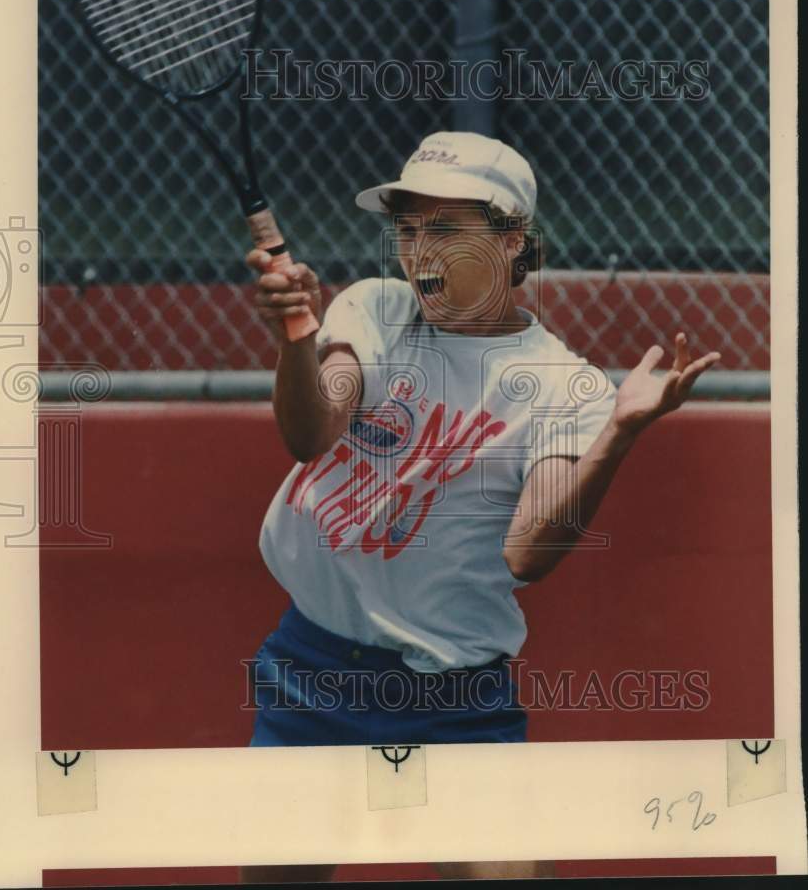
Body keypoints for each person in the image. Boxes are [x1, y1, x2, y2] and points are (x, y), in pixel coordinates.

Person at [240, 132, 720, 883]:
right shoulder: (375, 310)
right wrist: (295, 337)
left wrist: (620, 432)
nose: (417, 250)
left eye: (445, 230)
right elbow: (311, 432)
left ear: (510, 242)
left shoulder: (564, 386)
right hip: (315, 672)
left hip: (455, 697)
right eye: (407, 229)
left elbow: (528, 552)